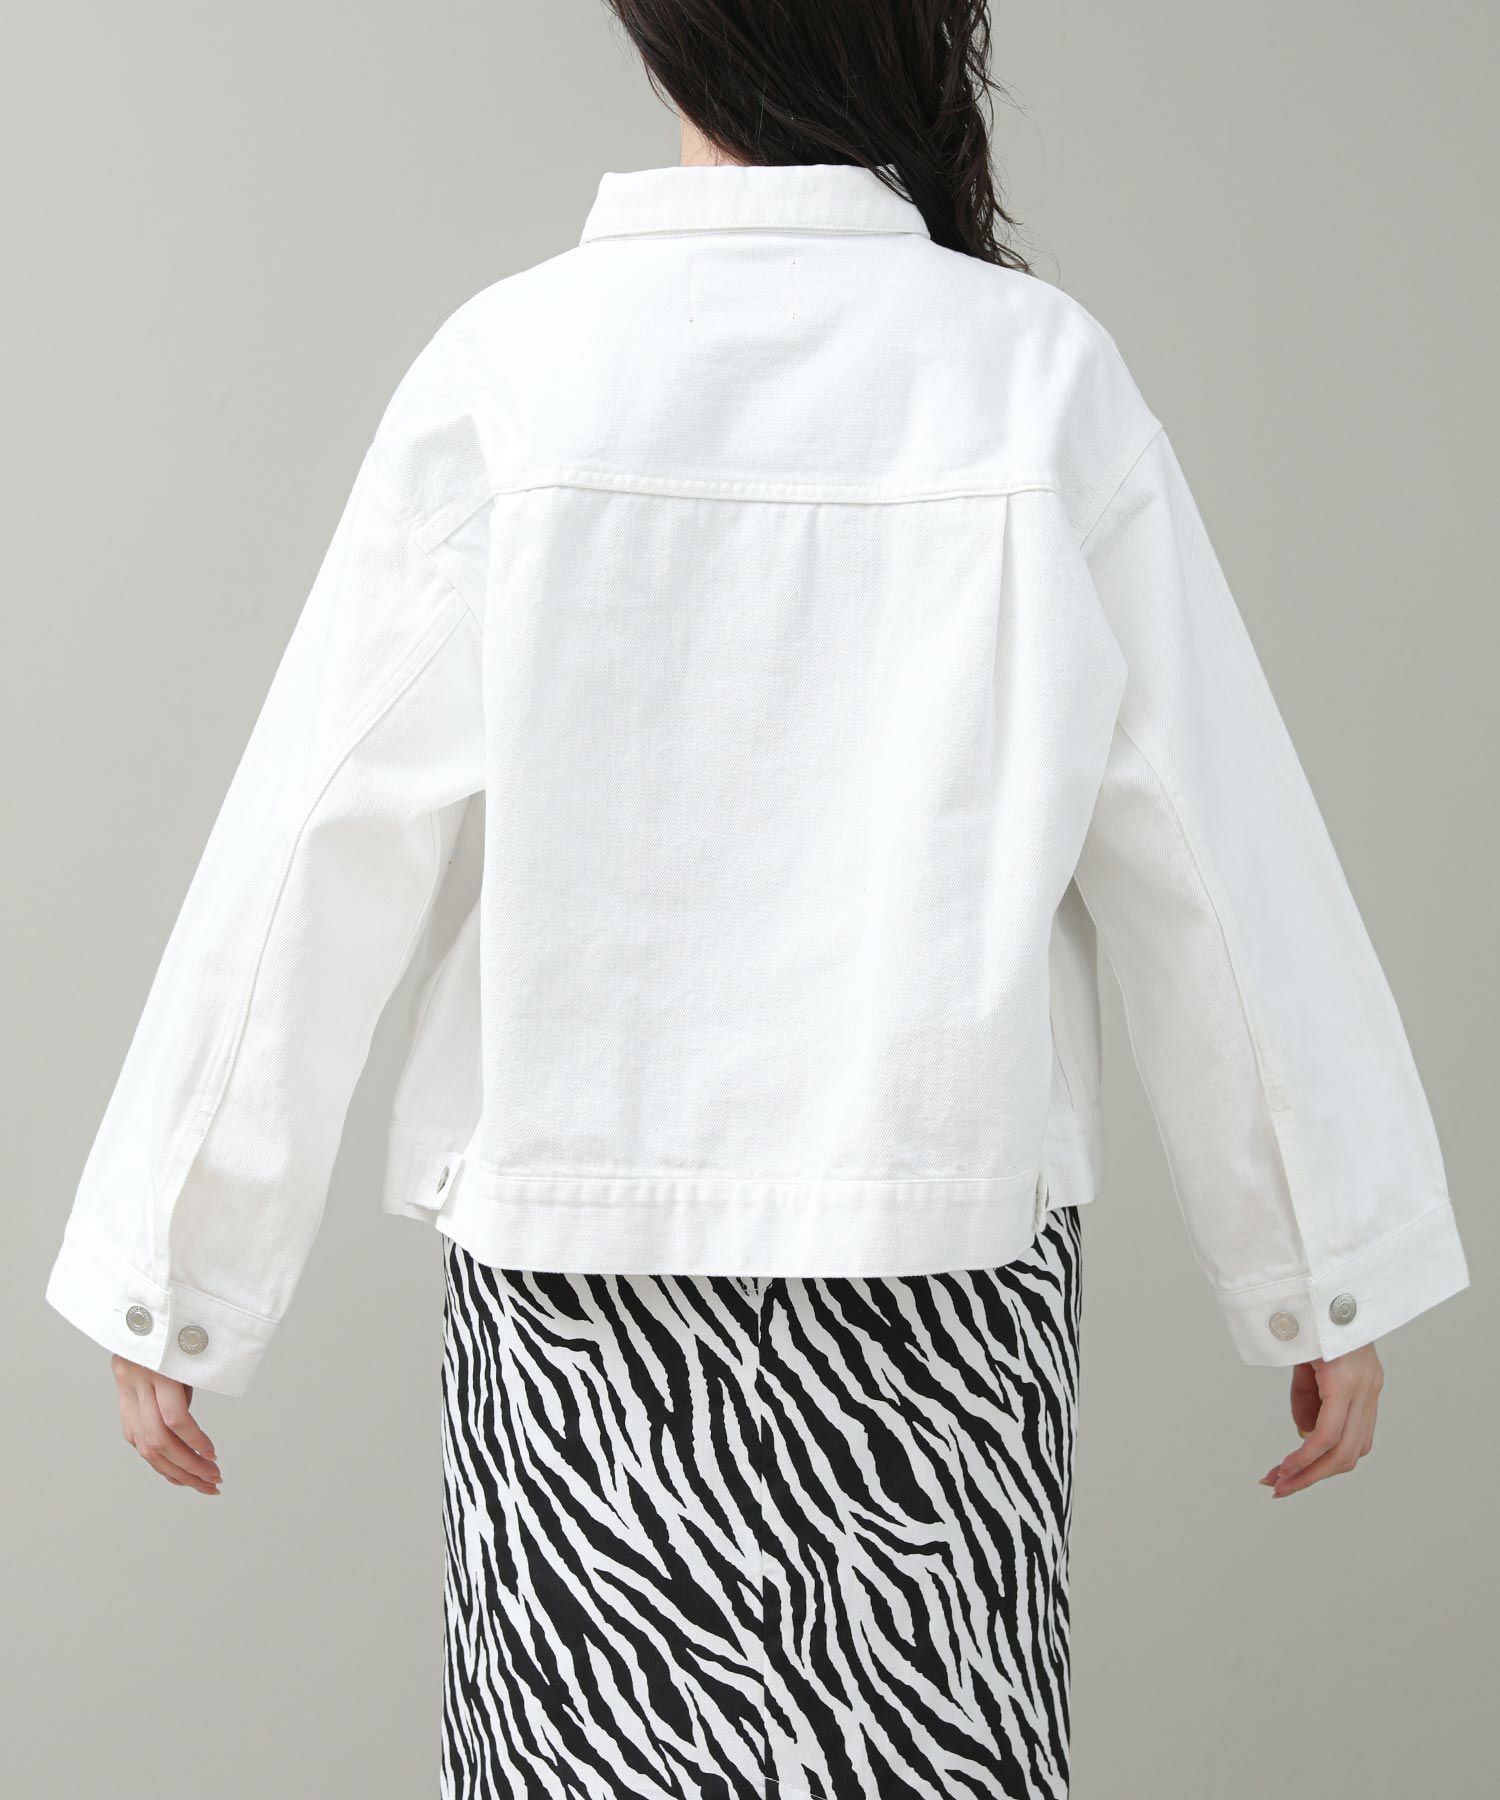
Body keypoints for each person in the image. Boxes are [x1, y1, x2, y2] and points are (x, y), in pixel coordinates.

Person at [46, 3, 1470, 1796]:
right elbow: (1213, 851)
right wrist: (1323, 1270)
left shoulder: (517, 368)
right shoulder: (1032, 376)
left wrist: (176, 1267)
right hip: (941, 1308)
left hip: (577, 1315)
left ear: (666, 38)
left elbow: (317, 835)